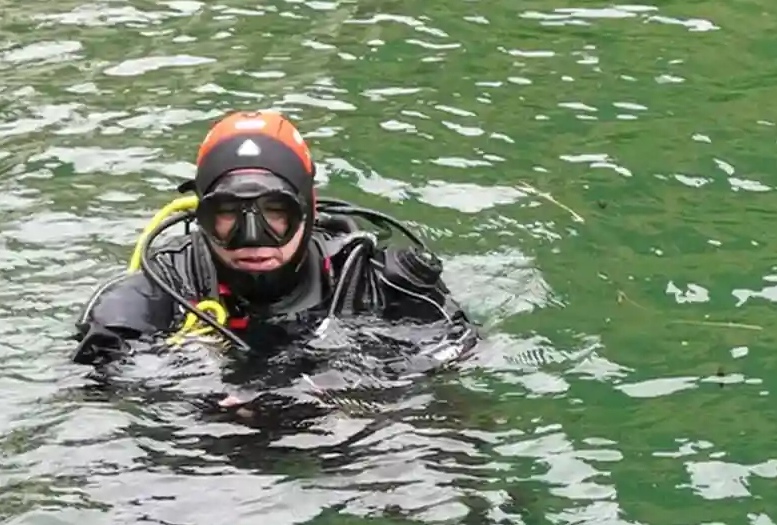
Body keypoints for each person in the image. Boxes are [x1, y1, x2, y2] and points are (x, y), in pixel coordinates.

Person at [74, 109, 476, 372]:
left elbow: (459, 405)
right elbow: (94, 410)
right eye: (228, 214)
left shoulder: (376, 284)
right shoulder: (158, 292)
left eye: (276, 213)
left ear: (309, 208)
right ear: (201, 216)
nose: (253, 238)